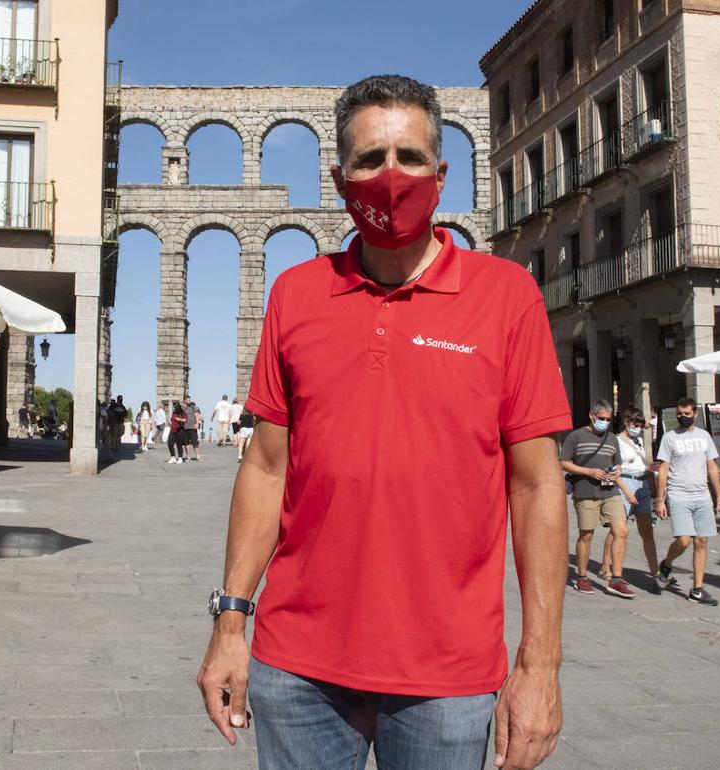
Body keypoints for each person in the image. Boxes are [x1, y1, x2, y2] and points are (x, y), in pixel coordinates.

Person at [197, 75, 571, 770]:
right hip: (296, 666)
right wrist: (229, 621)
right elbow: (266, 466)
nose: (390, 177)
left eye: (409, 158)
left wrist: (540, 665)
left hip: (448, 677)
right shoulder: (297, 294)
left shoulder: (506, 296)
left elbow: (537, 486)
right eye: (370, 160)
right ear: (339, 178)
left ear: (442, 172)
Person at [653, 397, 720, 605]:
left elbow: (712, 466)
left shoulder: (704, 436)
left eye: (686, 414)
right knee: (684, 540)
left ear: (695, 414)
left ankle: (697, 589)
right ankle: (667, 564)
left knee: (702, 541)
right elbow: (663, 469)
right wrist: (660, 500)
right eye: (679, 414)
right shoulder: (669, 437)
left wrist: (719, 495)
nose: (682, 417)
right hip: (679, 495)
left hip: (702, 495)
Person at [560, 399, 634, 599]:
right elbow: (563, 462)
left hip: (609, 491)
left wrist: (616, 471)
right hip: (585, 492)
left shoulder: (611, 439)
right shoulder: (576, 436)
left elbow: (617, 463)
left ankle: (617, 579)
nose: (604, 422)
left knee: (622, 531)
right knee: (587, 534)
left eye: (608, 419)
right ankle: (582, 577)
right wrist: (587, 471)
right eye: (601, 418)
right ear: (592, 416)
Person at [600, 406, 664, 588]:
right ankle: (605, 566)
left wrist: (650, 482)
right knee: (618, 530)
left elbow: (643, 463)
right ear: (627, 423)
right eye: (635, 424)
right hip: (624, 484)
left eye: (641, 425)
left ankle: (655, 571)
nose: (638, 428)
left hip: (642, 484)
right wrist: (626, 492)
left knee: (647, 531)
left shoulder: (639, 442)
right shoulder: (616, 441)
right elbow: (613, 470)